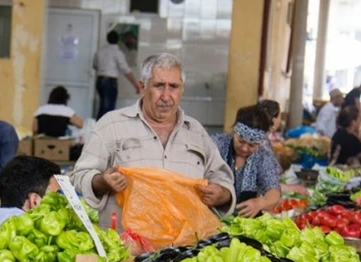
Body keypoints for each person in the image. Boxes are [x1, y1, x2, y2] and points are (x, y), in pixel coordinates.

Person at [71, 53, 235, 231]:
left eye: (173, 86)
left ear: (182, 89)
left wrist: (222, 194)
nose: (166, 96)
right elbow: (79, 177)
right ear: (142, 87)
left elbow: (222, 179)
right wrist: (101, 181)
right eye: (159, 86)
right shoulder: (111, 125)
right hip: (126, 251)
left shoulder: (196, 132)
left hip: (183, 252)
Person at [211, 105, 281, 218]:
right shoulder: (216, 145)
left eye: (252, 145)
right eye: (241, 141)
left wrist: (260, 203)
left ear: (260, 143)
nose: (244, 148)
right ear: (234, 132)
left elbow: (274, 193)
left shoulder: (263, 157)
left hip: (244, 221)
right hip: (212, 214)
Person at [259, 99, 309, 196]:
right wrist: (293, 188)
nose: (280, 120)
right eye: (279, 117)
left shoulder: (262, 138)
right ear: (273, 120)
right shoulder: (260, 143)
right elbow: (263, 182)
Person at [93, 31, 141, 120]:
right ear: (117, 40)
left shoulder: (100, 51)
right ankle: (104, 130)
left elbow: (95, 66)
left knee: (103, 105)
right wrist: (136, 85)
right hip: (110, 82)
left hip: (100, 81)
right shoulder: (118, 53)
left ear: (107, 39)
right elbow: (126, 71)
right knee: (108, 108)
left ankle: (98, 127)